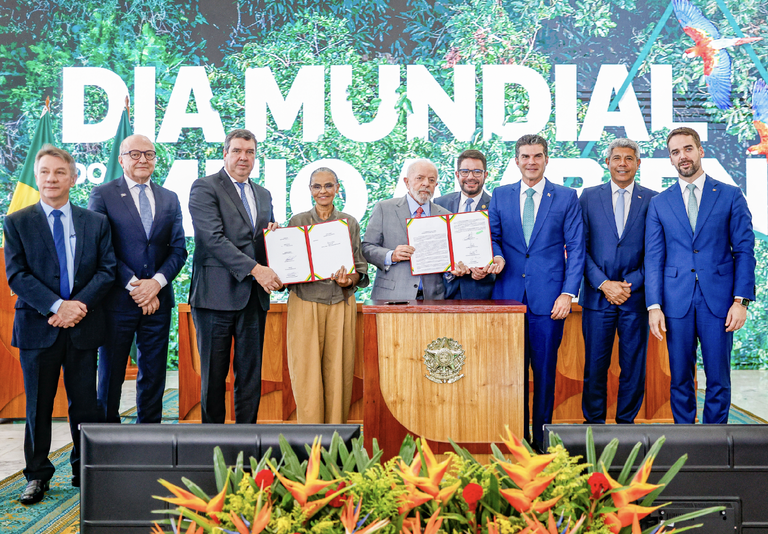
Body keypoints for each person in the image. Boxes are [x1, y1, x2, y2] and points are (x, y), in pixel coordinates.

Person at [4, 145, 116, 504]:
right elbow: (17, 275)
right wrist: (56, 306)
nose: (51, 179)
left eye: (58, 172)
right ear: (37, 177)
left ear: (73, 177)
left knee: (85, 404)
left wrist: (77, 306)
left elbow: (107, 269)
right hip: (39, 328)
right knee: (38, 405)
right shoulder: (17, 222)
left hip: (83, 326)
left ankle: (84, 470)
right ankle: (37, 476)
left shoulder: (95, 222)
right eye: (45, 173)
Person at [645, 126, 756, 424]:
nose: (683, 156)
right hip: (675, 302)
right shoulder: (659, 202)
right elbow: (654, 257)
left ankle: (715, 442)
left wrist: (741, 301)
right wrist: (653, 306)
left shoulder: (730, 195)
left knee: (718, 377)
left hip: (719, 302)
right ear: (670, 159)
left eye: (688, 149)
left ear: (700, 150)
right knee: (680, 376)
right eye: (675, 152)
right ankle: (686, 442)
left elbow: (744, 250)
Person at [487, 134, 585, 451]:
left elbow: (577, 249)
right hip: (508, 299)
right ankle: (517, 441)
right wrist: (496, 254)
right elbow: (492, 237)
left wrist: (567, 294)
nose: (531, 162)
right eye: (525, 156)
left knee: (544, 374)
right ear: (516, 161)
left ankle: (542, 441)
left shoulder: (567, 197)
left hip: (549, 301)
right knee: (512, 376)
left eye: (537, 156)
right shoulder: (500, 197)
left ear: (546, 159)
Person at [88, 134, 187, 424]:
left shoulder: (170, 197)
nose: (143, 159)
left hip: (158, 301)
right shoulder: (103, 194)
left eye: (149, 154)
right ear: (121, 159)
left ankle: (149, 436)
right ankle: (107, 438)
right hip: (117, 300)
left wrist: (155, 283)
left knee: (155, 373)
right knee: (111, 374)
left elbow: (178, 249)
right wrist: (135, 285)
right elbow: (100, 247)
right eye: (135, 154)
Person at [188, 129, 281, 424]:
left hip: (253, 299)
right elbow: (213, 239)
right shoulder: (204, 187)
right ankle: (211, 448)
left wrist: (275, 239)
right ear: (225, 153)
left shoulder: (263, 194)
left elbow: (260, 240)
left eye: (250, 152)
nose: (244, 157)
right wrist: (257, 270)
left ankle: (247, 443)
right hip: (215, 297)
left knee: (251, 377)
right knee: (214, 379)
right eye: (238, 151)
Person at [280, 167, 369, 423]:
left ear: (337, 188)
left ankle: (335, 440)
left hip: (340, 301)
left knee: (338, 371)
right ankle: (309, 443)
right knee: (306, 373)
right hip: (305, 302)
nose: (323, 191)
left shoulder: (349, 222)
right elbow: (288, 268)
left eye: (328, 186)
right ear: (310, 190)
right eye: (317, 187)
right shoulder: (297, 222)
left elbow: (359, 270)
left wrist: (347, 279)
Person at [579, 138, 657, 424]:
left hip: (635, 298)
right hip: (598, 298)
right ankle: (593, 425)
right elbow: (579, 248)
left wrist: (629, 285)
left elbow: (655, 251)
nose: (622, 164)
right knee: (595, 367)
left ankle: (627, 426)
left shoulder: (653, 199)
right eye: (616, 158)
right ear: (607, 162)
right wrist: (604, 284)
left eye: (628, 158)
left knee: (633, 367)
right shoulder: (588, 196)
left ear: (638, 163)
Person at [362, 159, 451, 300]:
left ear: (436, 185)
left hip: (433, 299)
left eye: (431, 180)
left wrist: (451, 270)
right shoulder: (384, 209)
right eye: (420, 178)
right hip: (391, 297)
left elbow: (450, 258)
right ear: (406, 182)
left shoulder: (445, 216)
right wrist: (391, 256)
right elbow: (366, 248)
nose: (426, 183)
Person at [434, 149, 495, 300]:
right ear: (457, 174)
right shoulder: (439, 204)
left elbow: (502, 245)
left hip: (482, 291)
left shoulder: (496, 206)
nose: (470, 177)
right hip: (445, 291)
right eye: (465, 171)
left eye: (477, 172)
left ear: (485, 175)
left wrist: (488, 268)